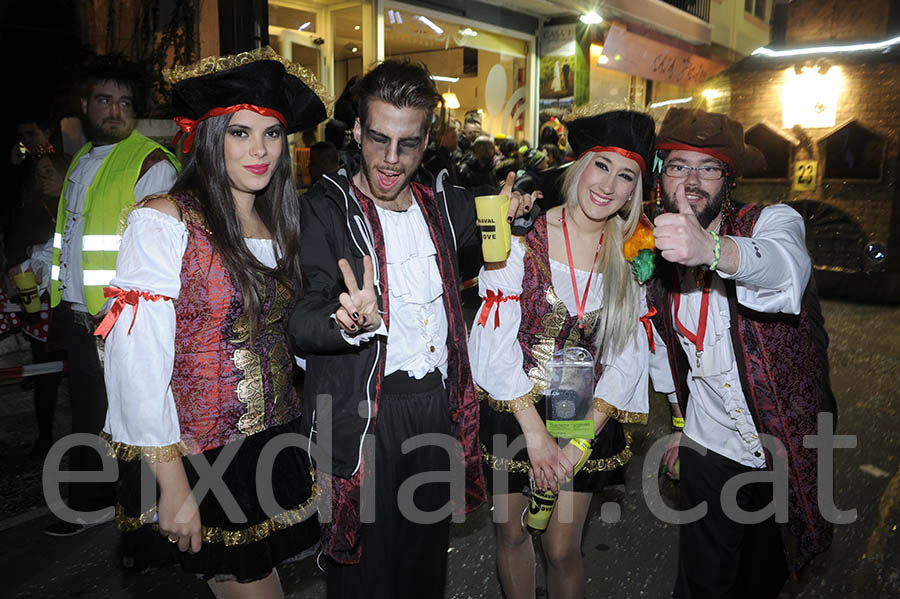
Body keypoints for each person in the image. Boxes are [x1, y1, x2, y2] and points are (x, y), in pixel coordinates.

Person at [289, 59, 535, 599]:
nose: (391, 160)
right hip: (361, 415)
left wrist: (513, 211)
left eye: (408, 143)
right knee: (363, 578)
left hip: (434, 407)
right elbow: (301, 323)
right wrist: (345, 319)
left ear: (428, 141)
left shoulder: (444, 207)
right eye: (378, 139)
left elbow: (516, 219)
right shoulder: (326, 208)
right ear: (356, 131)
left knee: (424, 568)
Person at [95, 47, 327, 594]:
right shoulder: (164, 220)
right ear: (209, 136)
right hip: (200, 453)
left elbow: (282, 339)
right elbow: (135, 367)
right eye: (241, 132)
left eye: (272, 134)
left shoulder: (279, 221)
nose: (260, 150)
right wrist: (172, 486)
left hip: (271, 440)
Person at [647, 108, 835, 598]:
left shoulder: (773, 220)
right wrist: (679, 426)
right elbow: (661, 350)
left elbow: (785, 273)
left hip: (781, 444)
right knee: (700, 584)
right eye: (678, 165)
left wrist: (712, 250)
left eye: (706, 167)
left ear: (727, 179)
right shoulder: (652, 249)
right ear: (661, 176)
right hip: (709, 449)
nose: (690, 180)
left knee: (763, 580)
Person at [469, 110, 656, 599]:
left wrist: (574, 448)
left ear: (635, 190)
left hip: (583, 414)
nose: (609, 185)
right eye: (601, 165)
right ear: (578, 166)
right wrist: (535, 436)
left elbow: (628, 356)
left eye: (626, 175)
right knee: (511, 533)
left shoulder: (633, 252)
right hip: (517, 407)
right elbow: (495, 338)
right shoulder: (521, 233)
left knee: (561, 549)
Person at [32, 55, 180, 536]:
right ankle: (91, 505)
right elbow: (74, 235)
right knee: (88, 417)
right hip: (79, 315)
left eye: (124, 102)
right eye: (104, 100)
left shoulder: (151, 164)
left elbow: (163, 256)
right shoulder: (80, 159)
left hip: (123, 320)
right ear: (85, 105)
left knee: (133, 416)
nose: (114, 110)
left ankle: (142, 516)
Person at [6, 114, 70, 457]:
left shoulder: (77, 205)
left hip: (69, 303)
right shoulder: (31, 206)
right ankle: (45, 438)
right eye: (39, 174)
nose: (43, 177)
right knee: (44, 374)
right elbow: (15, 246)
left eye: (49, 172)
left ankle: (86, 436)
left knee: (74, 375)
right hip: (37, 303)